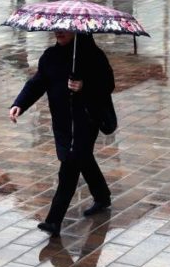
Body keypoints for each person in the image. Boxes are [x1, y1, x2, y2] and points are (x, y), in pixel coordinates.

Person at [9, 31, 113, 238]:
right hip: (63, 122)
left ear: (77, 31)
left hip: (86, 119)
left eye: (64, 29)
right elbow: (37, 83)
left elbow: (108, 85)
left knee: (71, 164)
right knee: (82, 158)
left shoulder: (93, 55)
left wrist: (84, 85)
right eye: (56, 29)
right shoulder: (50, 56)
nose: (59, 32)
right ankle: (102, 196)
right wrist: (19, 104)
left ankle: (54, 220)